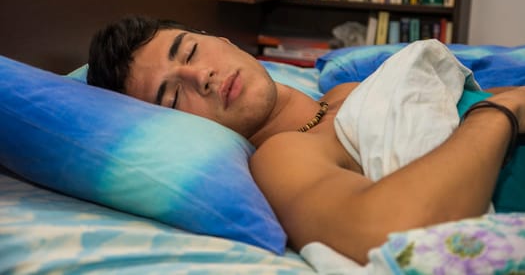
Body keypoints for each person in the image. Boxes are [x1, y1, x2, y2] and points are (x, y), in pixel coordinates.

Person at [87, 15, 525, 265]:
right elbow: (393, 231)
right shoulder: (283, 156)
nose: (201, 76)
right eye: (171, 95)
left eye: (189, 52)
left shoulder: (344, 93)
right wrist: (504, 111)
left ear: (217, 37)